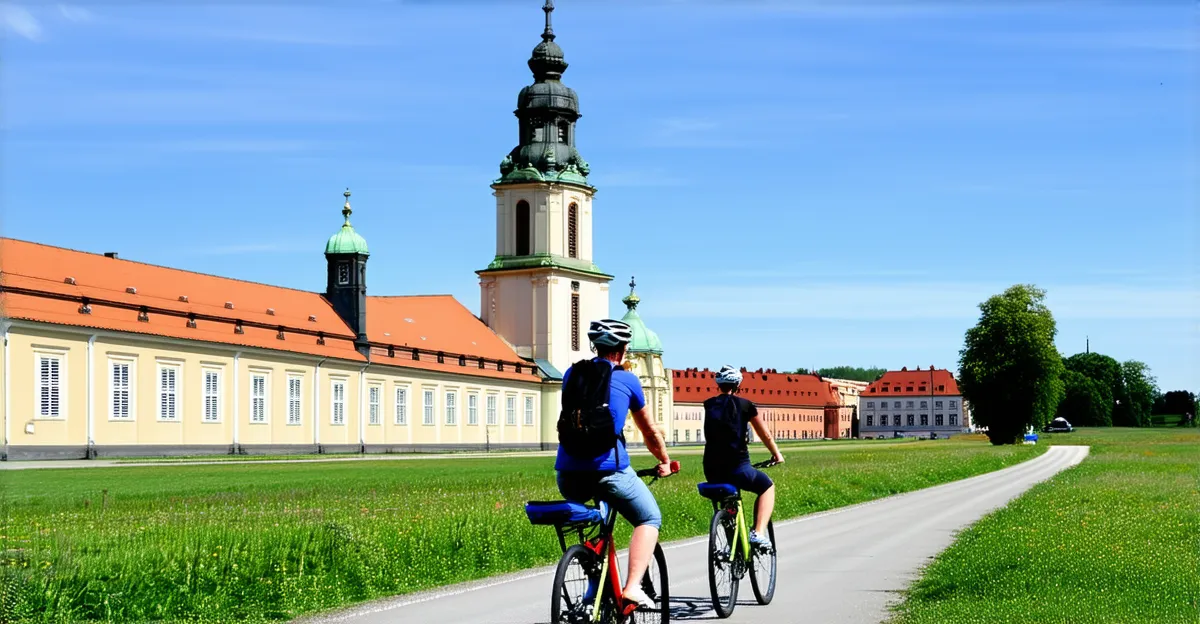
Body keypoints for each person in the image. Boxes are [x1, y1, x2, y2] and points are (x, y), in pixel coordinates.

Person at [555, 319, 674, 608]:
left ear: (595, 346)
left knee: (596, 525)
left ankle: (594, 585)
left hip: (567, 474)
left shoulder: (572, 374)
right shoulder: (628, 379)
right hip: (610, 471)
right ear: (622, 350)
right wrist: (665, 460)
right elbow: (648, 431)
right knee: (649, 518)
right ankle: (632, 586)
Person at [702, 365, 785, 549]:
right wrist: (776, 454)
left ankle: (732, 547)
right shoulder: (746, 405)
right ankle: (758, 532)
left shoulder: (708, 404)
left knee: (727, 504)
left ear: (719, 384)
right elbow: (765, 435)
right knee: (767, 487)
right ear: (737, 384)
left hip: (711, 469)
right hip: (738, 468)